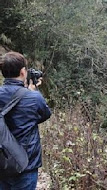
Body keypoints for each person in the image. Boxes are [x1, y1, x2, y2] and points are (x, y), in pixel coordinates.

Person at [0, 52, 51, 190]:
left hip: (1, 162)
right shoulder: (34, 98)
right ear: (23, 72)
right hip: (26, 165)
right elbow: (46, 114)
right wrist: (32, 91)